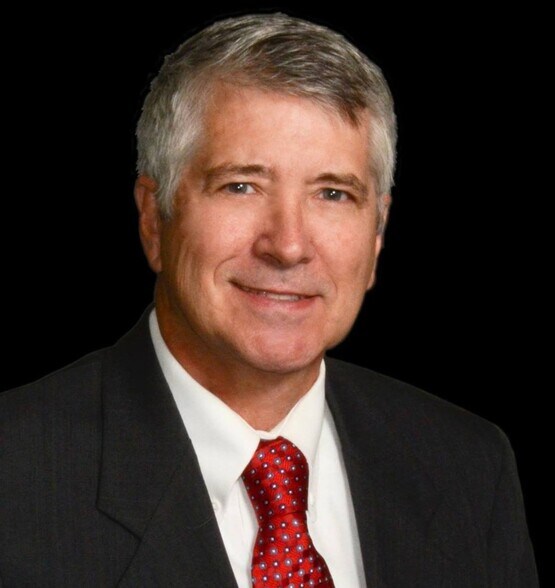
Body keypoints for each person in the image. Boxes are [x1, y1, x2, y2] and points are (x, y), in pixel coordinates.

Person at [0, 13, 538, 587]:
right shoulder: (17, 473)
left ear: (378, 235)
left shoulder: (468, 467)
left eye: (333, 194)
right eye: (241, 186)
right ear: (155, 218)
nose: (288, 245)